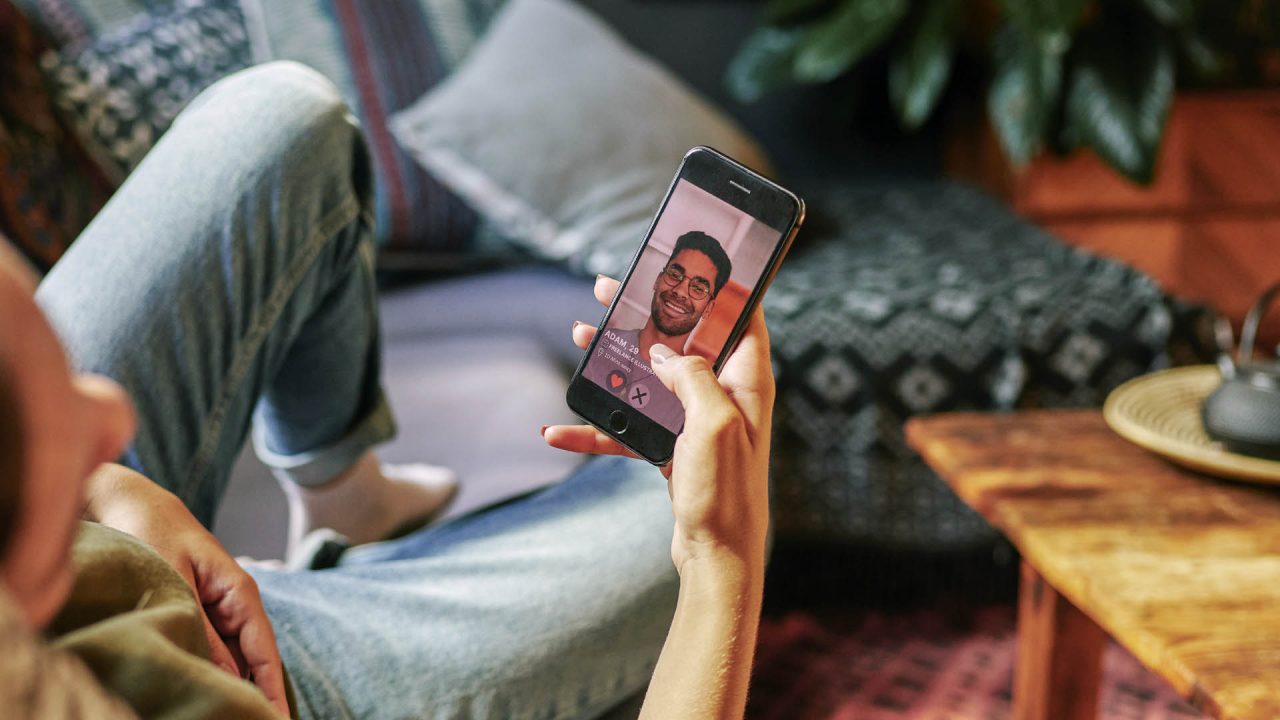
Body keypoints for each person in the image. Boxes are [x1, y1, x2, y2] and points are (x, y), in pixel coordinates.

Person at [0, 61, 773, 719]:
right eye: (38, 433)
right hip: (220, 670)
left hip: (91, 551)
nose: (109, 407)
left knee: (283, 116)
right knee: (670, 514)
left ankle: (346, 498)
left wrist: (106, 486)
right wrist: (721, 560)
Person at [583, 231, 733, 430]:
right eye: (674, 275)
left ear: (708, 308)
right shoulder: (607, 344)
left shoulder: (691, 396)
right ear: (658, 279)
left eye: (698, 288)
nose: (680, 291)